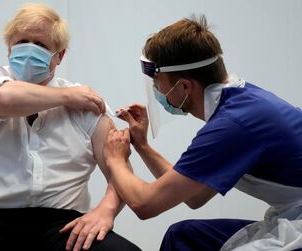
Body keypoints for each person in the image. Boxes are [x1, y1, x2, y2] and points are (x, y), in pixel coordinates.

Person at [0, 3, 140, 251]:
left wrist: (106, 209)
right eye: (21, 42)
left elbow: (119, 169)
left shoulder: (86, 105)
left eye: (40, 45)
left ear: (60, 56)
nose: (29, 50)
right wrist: (66, 96)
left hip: (62, 223)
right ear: (8, 49)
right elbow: (3, 100)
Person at [103, 15, 302, 251]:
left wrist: (114, 158)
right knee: (184, 236)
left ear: (185, 86)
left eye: (158, 82)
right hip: (292, 215)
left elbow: (144, 204)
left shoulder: (233, 125)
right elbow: (194, 196)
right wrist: (143, 147)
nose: (157, 91)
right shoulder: (241, 102)